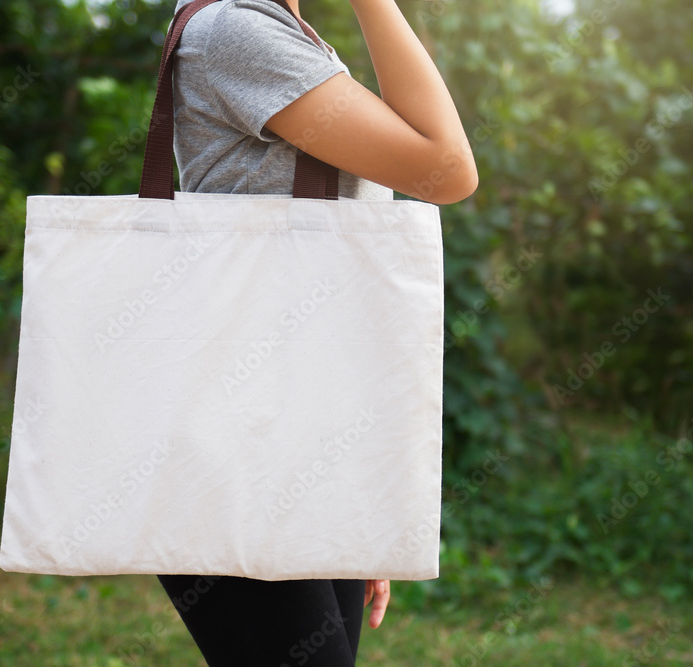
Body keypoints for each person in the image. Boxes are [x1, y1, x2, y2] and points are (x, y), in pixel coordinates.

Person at [156, 0, 477, 664]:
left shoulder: (289, 38)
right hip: (239, 445)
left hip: (308, 434)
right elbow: (446, 169)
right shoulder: (234, 32)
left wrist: (359, 499)